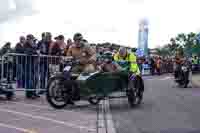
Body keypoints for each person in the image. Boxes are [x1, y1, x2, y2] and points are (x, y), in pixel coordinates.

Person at [23, 34, 40, 99]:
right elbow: (28, 52)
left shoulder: (34, 44)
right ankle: (29, 94)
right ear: (29, 39)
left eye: (33, 39)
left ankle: (34, 92)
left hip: (33, 64)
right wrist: (36, 52)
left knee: (35, 79)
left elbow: (37, 50)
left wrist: (36, 50)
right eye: (31, 39)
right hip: (28, 64)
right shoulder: (26, 44)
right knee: (30, 80)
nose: (32, 40)